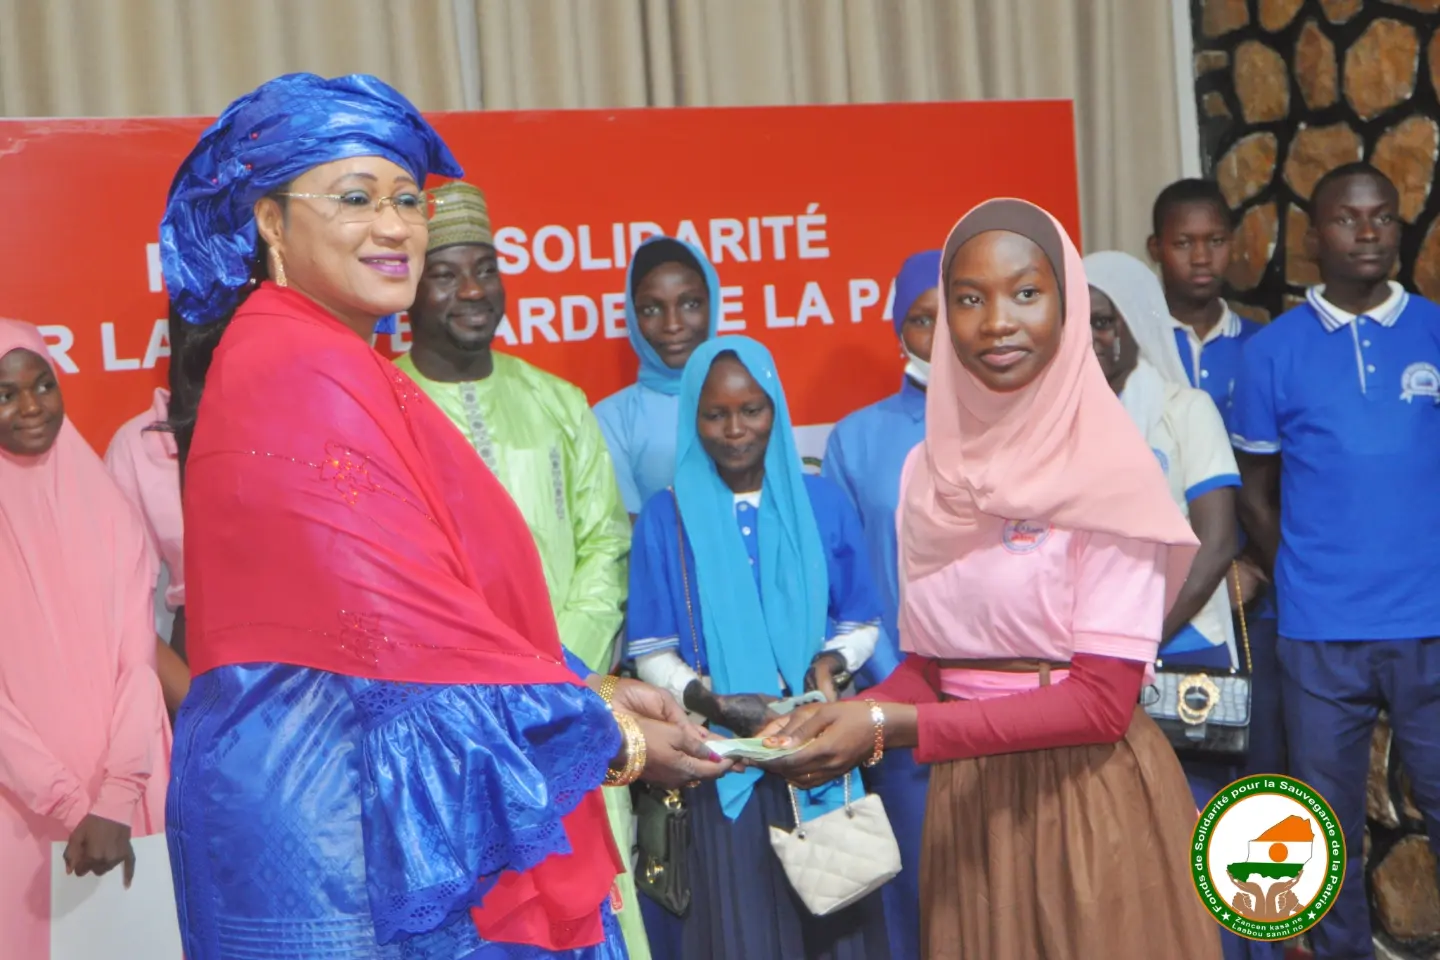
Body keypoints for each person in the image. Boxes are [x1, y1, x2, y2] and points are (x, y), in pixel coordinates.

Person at [158, 72, 730, 959]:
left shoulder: (333, 357)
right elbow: (403, 632)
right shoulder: (296, 366)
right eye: (356, 199)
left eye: (406, 200)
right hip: (331, 827)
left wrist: (585, 689)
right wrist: (600, 731)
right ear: (271, 220)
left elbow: (430, 608)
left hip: (362, 784)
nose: (395, 228)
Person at [762, 199, 1221, 959]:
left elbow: (1101, 703)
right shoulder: (929, 471)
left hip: (1084, 801)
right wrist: (843, 715)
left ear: (1068, 307)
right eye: (970, 299)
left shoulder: (1112, 468)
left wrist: (892, 728)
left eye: (1026, 293)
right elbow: (934, 668)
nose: (997, 322)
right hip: (970, 808)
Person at [394, 179, 647, 959]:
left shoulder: (560, 402)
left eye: (486, 270)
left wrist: (558, 672)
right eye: (445, 274)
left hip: (571, 707)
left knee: (590, 909)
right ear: (407, 292)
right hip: (450, 730)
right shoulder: (383, 409)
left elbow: (606, 545)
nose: (473, 291)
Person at [1230, 163, 1440, 959]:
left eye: (1382, 216)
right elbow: (1255, 492)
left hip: (1431, 622)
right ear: (1313, 235)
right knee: (1326, 825)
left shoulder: (1433, 330)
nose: (1368, 231)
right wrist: (1302, 572)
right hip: (1320, 631)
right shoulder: (1272, 352)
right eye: (1348, 219)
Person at [625, 335, 890, 959]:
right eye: (715, 414)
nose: (735, 429)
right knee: (745, 931)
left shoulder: (822, 501)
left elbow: (862, 622)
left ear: (776, 409)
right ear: (693, 419)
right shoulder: (666, 517)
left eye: (752, 410)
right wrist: (717, 705)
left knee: (835, 927)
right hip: (726, 765)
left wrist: (831, 665)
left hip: (821, 749)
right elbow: (652, 652)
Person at [1086, 252, 1280, 960]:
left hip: (1182, 651)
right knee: (1122, 847)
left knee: (1206, 841)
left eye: (1105, 321)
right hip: (1090, 665)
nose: (1093, 338)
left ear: (1136, 323)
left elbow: (1217, 541)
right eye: (1079, 324)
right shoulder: (1057, 424)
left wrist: (1141, 637)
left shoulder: (1182, 410)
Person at [0, 318, 172, 960]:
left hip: (127, 794)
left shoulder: (107, 506)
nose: (30, 406)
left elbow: (139, 664)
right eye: (5, 394)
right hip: (23, 810)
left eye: (43, 385)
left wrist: (115, 800)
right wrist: (75, 807)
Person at [820, 248, 939, 960]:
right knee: (916, 892)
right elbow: (849, 576)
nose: (940, 335)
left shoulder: (1018, 423)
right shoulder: (858, 439)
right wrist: (895, 682)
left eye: (956, 312)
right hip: (898, 703)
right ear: (899, 330)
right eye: (922, 319)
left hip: (1003, 700)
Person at [1149, 177, 1284, 781]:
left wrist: (1253, 565)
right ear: (1156, 248)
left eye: (1216, 240)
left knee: (1259, 765)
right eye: (1184, 242)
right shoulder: (1132, 348)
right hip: (1164, 597)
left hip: (1254, 591)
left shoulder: (1266, 345)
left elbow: (1281, 475)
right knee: (1175, 774)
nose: (1201, 257)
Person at [595, 236, 722, 518]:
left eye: (690, 304)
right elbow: (626, 534)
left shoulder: (750, 400)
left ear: (712, 304)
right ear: (633, 316)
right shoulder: (611, 420)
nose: (672, 325)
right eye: (651, 310)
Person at [104, 387, 192, 716]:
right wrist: (195, 705)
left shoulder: (310, 418)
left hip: (319, 660)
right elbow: (116, 607)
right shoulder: (139, 444)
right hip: (200, 666)